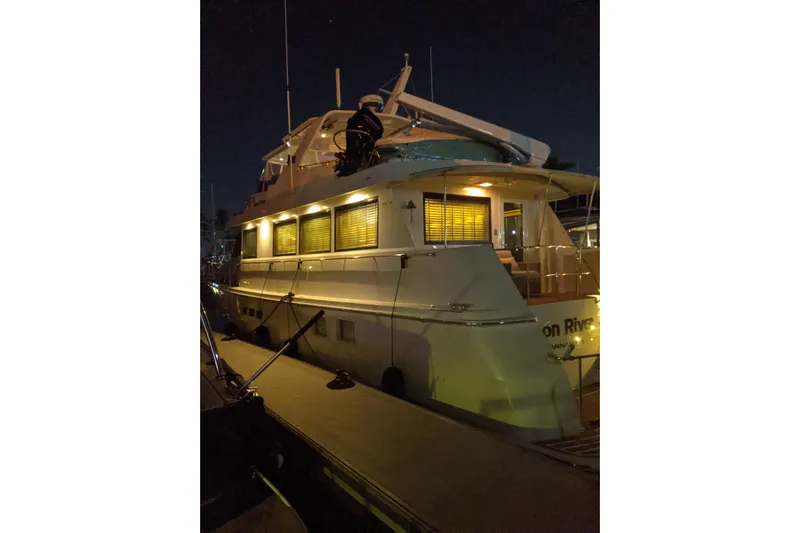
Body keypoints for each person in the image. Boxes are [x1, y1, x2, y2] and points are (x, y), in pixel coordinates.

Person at [336, 94, 385, 177]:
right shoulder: (364, 114)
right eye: (376, 107)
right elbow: (378, 129)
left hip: (357, 148)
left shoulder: (359, 116)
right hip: (359, 148)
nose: (376, 110)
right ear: (373, 105)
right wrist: (376, 138)